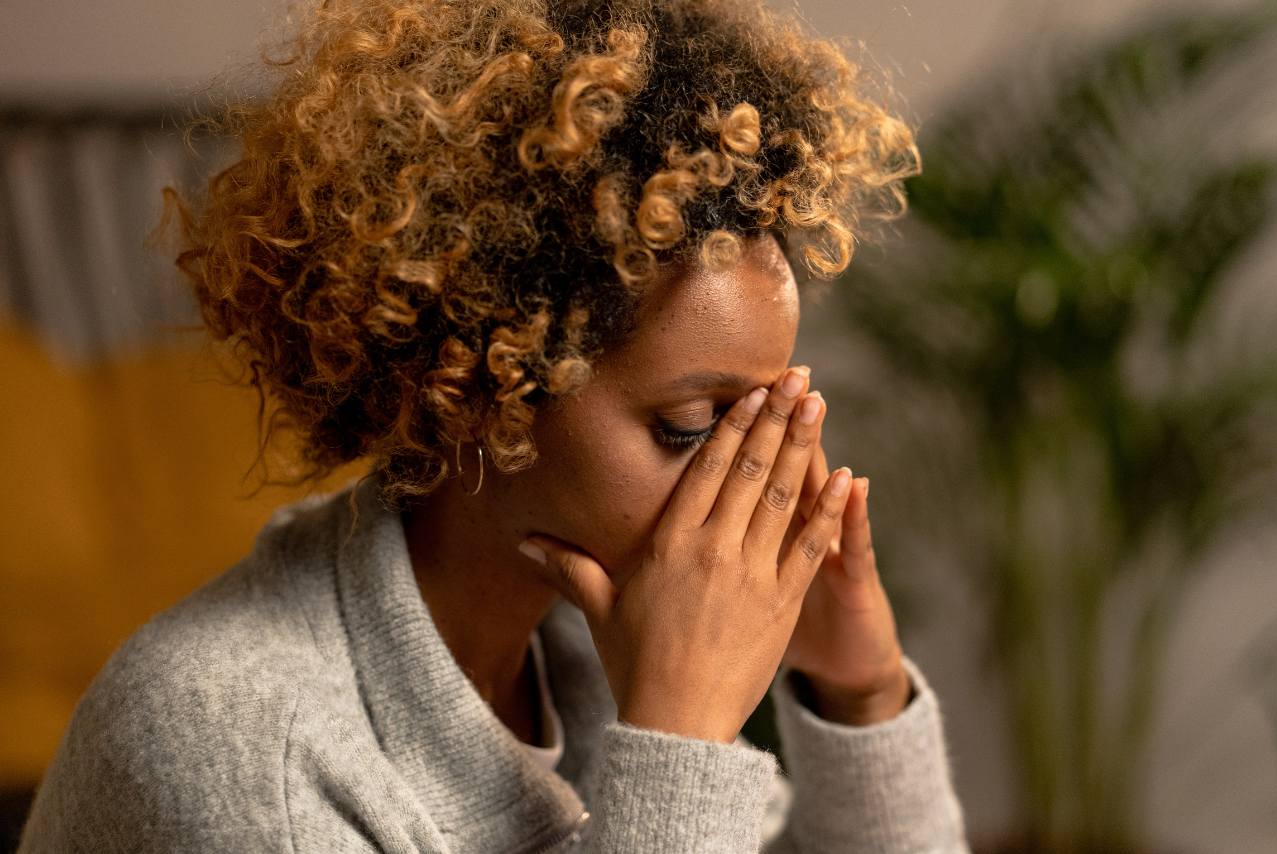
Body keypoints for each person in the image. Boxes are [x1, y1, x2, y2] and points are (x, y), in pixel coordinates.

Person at [19, 0, 968, 851]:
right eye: (690, 424)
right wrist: (678, 740)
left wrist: (858, 691)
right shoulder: (232, 750)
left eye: (767, 416)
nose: (755, 478)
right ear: (481, 386)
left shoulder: (579, 653)